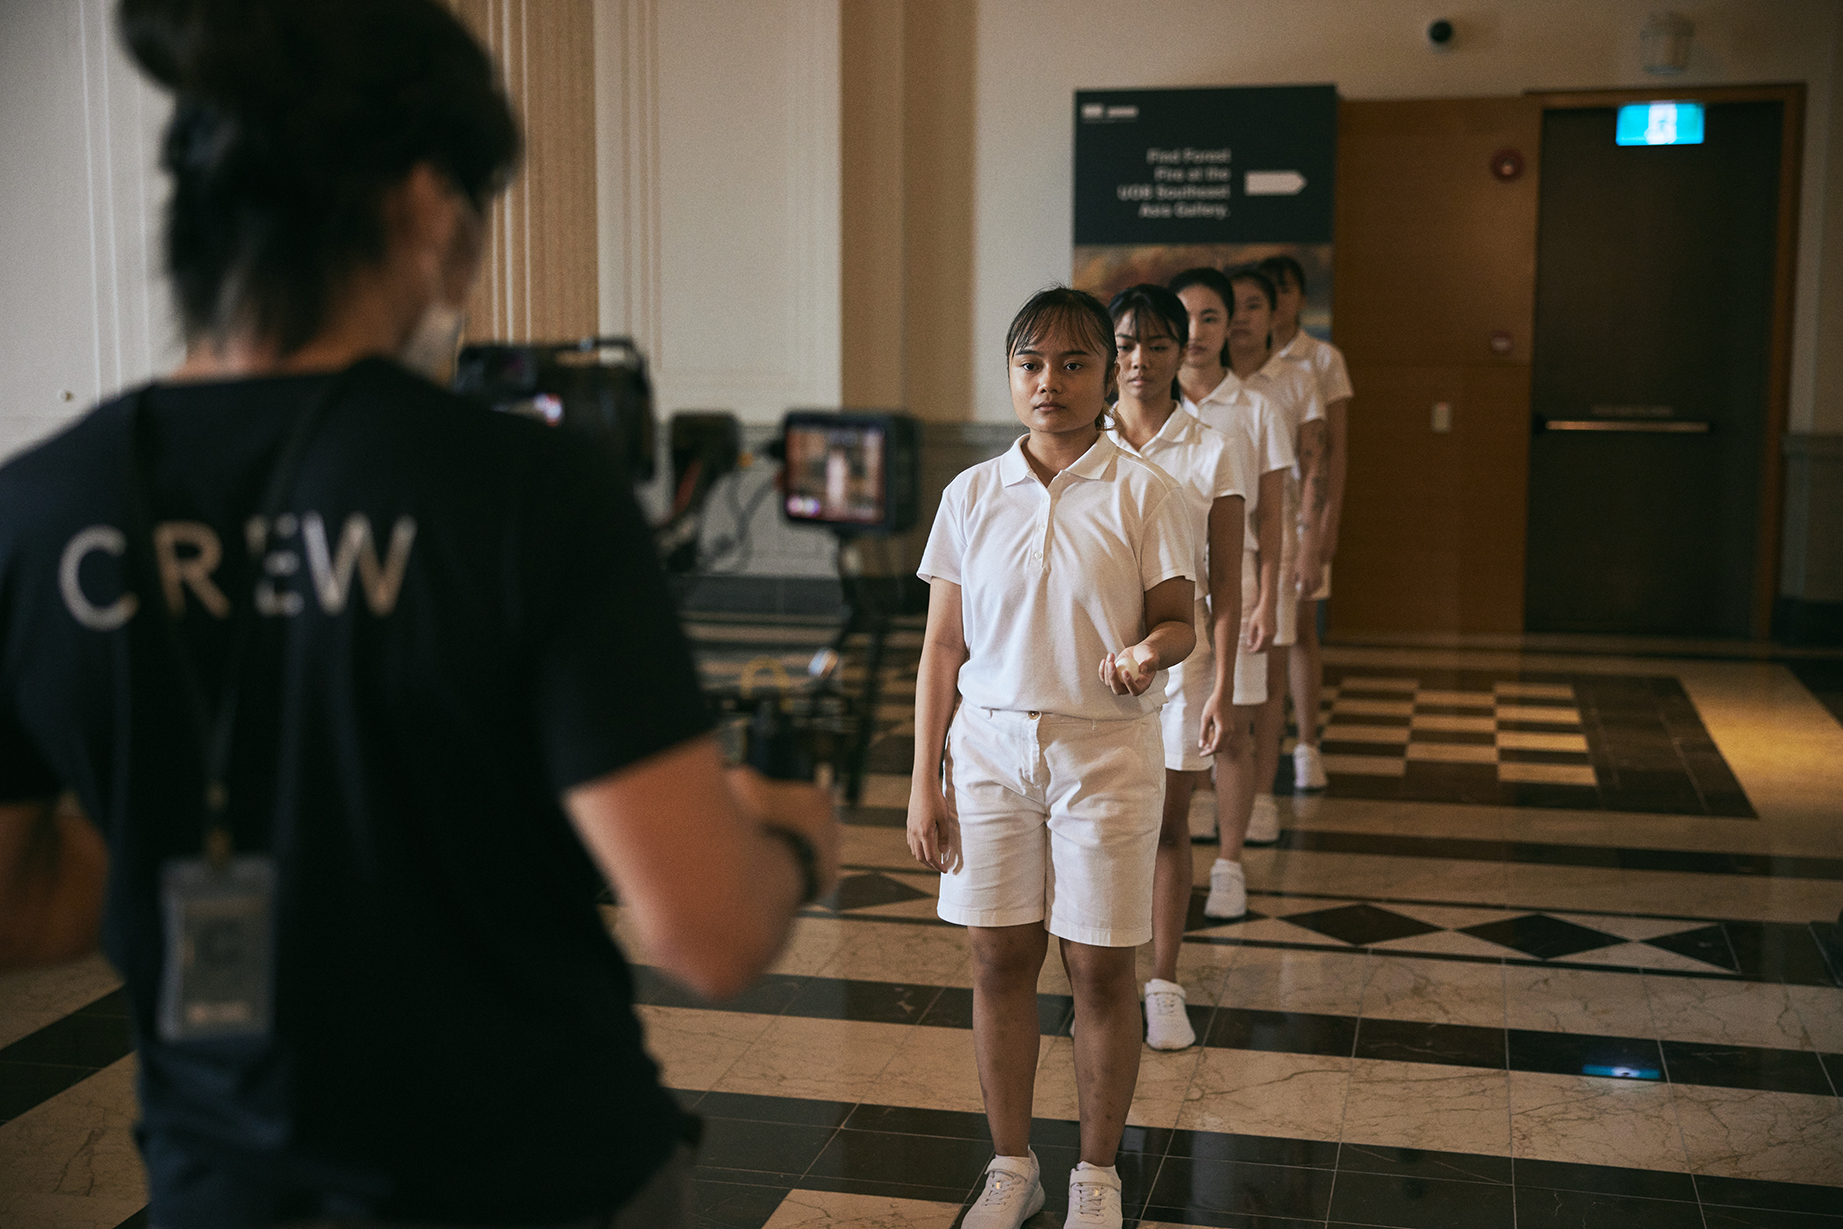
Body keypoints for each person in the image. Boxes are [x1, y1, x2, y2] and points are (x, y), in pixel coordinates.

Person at [0, 2, 837, 1226]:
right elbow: (708, 932)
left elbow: (16, 900)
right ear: (429, 203)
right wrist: (793, 839)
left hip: (222, 1187)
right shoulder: (526, 494)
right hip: (544, 1180)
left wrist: (236, 833)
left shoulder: (35, 511)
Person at [906, 287, 1196, 1229]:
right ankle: (1011, 1166)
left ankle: (1097, 1174)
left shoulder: (1144, 490)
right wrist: (922, 782)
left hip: (1103, 751)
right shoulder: (971, 493)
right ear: (1009, 373)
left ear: (1107, 375)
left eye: (1073, 363)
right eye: (1030, 363)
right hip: (988, 748)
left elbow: (1179, 620)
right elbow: (941, 648)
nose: (1049, 382)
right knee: (997, 957)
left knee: (1100, 966)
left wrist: (1147, 650)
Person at [1101, 285, 1244, 1051]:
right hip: (1094, 663)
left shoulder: (1211, 447)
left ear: (1178, 351)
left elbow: (1226, 580)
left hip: (1184, 663)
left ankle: (1162, 980)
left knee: (1164, 821)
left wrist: (1223, 686)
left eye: (1156, 345)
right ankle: (1101, 978)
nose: (1139, 361)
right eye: (1125, 345)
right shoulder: (1084, 441)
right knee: (1095, 826)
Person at [1168, 268, 1293, 920]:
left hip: (1233, 583)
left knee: (1233, 727)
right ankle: (1168, 849)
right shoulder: (1146, 407)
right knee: (1164, 731)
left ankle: (1229, 863)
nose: (1195, 332)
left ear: (1229, 326)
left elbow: (1270, 518)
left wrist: (1268, 598)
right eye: (1184, 318)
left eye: (1210, 317)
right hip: (1161, 591)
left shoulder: (1258, 409)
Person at [1220, 265, 1327, 857]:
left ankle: (1261, 794)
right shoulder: (1198, 383)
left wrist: (1310, 544)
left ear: (1274, 313)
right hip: (1213, 550)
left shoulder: (1295, 381)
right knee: (1211, 675)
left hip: (1275, 543)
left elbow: (1314, 469)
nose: (1241, 317)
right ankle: (1212, 789)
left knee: (1266, 678)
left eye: (1253, 305)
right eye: (1231, 306)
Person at [1257, 255, 1354, 794]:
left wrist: (1323, 526)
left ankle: (1307, 744)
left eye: (1285, 289)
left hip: (1301, 514)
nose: (1277, 299)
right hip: (1256, 519)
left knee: (1299, 630)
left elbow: (1333, 451)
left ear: (1298, 297)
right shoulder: (1238, 360)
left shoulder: (1321, 358)